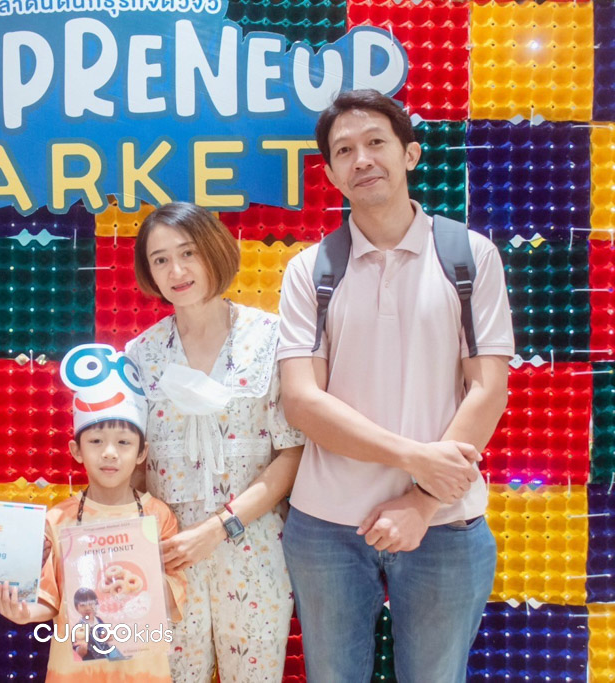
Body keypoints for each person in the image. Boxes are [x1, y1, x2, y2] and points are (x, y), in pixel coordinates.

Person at [276, 89, 514, 682]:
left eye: (376, 142)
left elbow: (488, 389)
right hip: (326, 527)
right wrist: (414, 457)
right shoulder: (309, 270)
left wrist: (423, 499)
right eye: (344, 151)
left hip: (446, 525)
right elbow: (302, 401)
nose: (362, 159)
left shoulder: (469, 256)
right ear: (330, 174)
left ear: (409, 154)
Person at [123, 202, 306, 682]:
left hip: (254, 549)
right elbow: (133, 467)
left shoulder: (270, 338)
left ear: (214, 250)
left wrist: (219, 529)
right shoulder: (139, 355)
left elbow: (292, 454)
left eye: (188, 252)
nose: (177, 271)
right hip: (166, 556)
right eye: (160, 259)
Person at [0, 343, 187, 683]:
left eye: (124, 443)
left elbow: (175, 600)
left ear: (142, 452)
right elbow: (50, 599)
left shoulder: (158, 517)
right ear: (76, 450)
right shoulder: (58, 519)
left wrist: (139, 582)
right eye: (96, 441)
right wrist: (23, 612)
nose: (110, 453)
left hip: (142, 672)